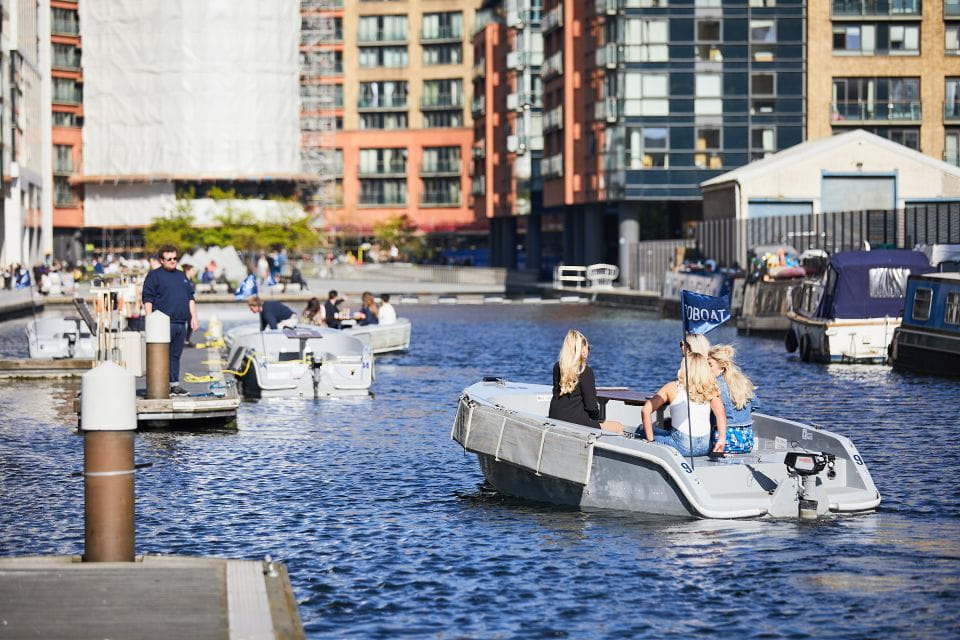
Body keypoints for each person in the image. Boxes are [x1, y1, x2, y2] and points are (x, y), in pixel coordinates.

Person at [640, 349, 726, 456]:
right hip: (705, 446)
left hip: (681, 446)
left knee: (641, 430)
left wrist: (651, 441)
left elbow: (645, 410)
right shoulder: (710, 388)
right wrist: (721, 439)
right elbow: (721, 414)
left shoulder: (672, 387)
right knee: (663, 432)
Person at [141, 245, 199, 396]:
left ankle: (175, 385)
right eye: (169, 259)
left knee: (175, 355)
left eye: (175, 258)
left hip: (181, 323)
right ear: (161, 260)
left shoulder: (182, 276)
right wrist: (149, 319)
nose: (173, 261)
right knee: (162, 355)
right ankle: (160, 386)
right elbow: (147, 298)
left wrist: (194, 317)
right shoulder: (154, 276)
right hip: (163, 323)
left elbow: (190, 298)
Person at [548, 330, 624, 434]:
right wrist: (598, 419)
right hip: (575, 422)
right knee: (618, 427)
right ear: (582, 350)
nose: (588, 351)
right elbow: (591, 406)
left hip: (555, 417)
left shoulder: (557, 367)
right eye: (588, 348)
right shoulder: (585, 371)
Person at [708, 344, 757, 454]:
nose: (706, 368)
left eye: (710, 365)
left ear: (722, 366)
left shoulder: (715, 386)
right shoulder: (742, 382)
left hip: (725, 442)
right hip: (747, 441)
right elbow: (756, 404)